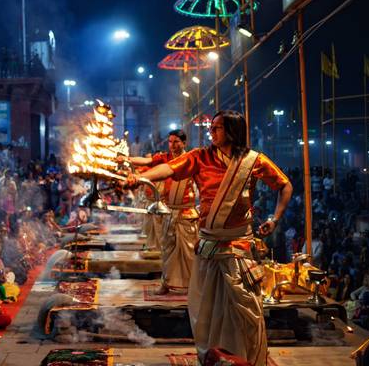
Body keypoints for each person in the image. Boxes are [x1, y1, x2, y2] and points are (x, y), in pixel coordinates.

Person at [126, 110, 292, 366]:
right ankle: (214, 356)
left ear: (233, 131)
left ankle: (242, 359)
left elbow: (284, 185)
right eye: (211, 128)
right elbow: (168, 168)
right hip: (208, 247)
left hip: (238, 249)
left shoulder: (254, 161)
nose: (211, 132)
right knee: (206, 310)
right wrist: (141, 177)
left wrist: (275, 219)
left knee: (244, 310)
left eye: (217, 128)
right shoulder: (200, 157)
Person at [123, 129, 199, 295]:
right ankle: (166, 283)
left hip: (187, 213)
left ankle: (194, 286)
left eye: (176, 142)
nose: (173, 145)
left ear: (184, 143)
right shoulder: (164, 159)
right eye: (170, 142)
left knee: (189, 252)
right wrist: (126, 159)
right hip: (168, 211)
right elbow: (146, 161)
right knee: (167, 250)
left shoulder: (192, 159)